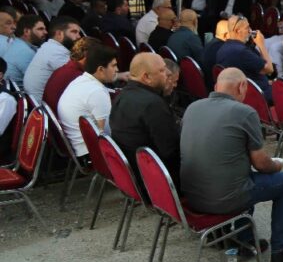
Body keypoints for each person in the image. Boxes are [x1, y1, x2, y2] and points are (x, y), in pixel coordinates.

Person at [180, 68, 283, 262]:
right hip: (224, 198)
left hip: (193, 197)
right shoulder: (244, 112)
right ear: (242, 86)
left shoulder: (192, 107)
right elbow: (261, 164)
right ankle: (282, 250)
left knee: (241, 177)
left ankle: (245, 240)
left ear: (216, 86)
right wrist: (277, 164)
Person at [110, 53, 181, 187]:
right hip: (157, 181)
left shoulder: (122, 96)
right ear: (146, 77)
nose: (167, 74)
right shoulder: (153, 105)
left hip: (133, 176)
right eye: (161, 70)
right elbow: (171, 152)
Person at [57, 45, 118, 158]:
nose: (117, 70)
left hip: (78, 147)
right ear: (101, 69)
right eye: (114, 66)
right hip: (90, 153)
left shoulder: (80, 81)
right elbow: (108, 135)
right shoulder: (97, 92)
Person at [23, 16, 82, 106]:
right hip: (43, 108)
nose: (79, 36)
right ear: (59, 34)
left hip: (39, 103)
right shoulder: (56, 52)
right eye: (74, 32)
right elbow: (79, 78)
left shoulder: (50, 47)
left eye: (78, 32)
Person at [216, 15, 274, 103]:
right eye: (247, 28)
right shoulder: (242, 52)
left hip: (237, 91)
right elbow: (269, 69)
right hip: (256, 95)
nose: (250, 31)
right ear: (237, 31)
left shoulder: (222, 49)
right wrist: (261, 44)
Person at [43, 37, 95, 111]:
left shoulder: (67, 67)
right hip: (58, 115)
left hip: (50, 112)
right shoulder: (79, 77)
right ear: (87, 54)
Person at [2, 15, 46, 85]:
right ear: (26, 31)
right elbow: (38, 82)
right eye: (40, 29)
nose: (45, 32)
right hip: (19, 91)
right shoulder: (24, 52)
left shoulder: (17, 43)